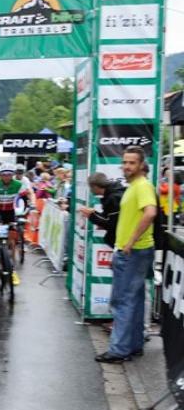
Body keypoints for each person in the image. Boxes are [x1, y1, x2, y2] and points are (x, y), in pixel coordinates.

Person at [96, 147, 158, 363]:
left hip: (133, 251)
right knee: (135, 300)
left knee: (122, 301)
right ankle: (133, 345)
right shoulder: (135, 186)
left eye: (132, 163)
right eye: (124, 162)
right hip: (137, 250)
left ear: (141, 165)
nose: (126, 166)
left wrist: (130, 241)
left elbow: (150, 212)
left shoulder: (142, 186)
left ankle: (119, 350)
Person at [0, 163, 30, 286]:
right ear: (0, 175)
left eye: (9, 174)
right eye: (4, 174)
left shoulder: (18, 184)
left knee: (12, 239)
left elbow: (24, 199)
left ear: (13, 175)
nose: (7, 177)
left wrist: (25, 209)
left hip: (10, 212)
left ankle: (11, 267)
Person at [80, 172, 125, 249]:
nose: (90, 190)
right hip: (122, 241)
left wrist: (91, 215)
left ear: (95, 186)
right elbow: (108, 218)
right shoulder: (113, 194)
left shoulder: (113, 198)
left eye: (90, 187)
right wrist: (95, 214)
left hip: (123, 243)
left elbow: (111, 224)